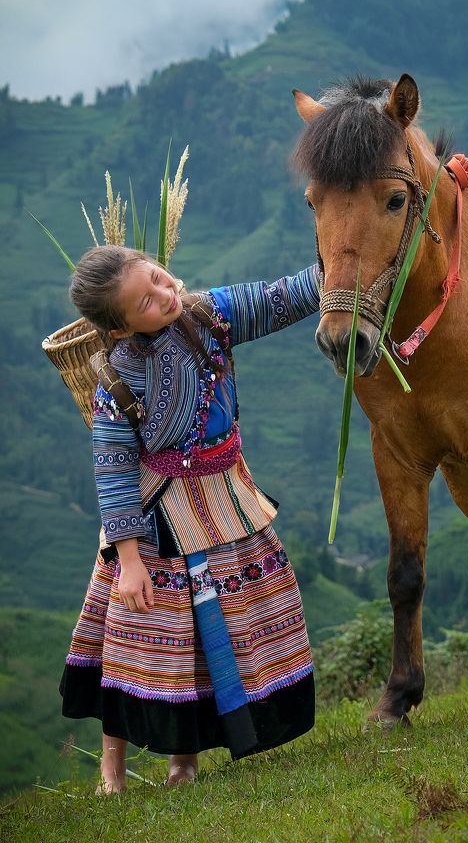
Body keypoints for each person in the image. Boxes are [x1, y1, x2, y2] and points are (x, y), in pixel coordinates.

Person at [60, 245, 321, 792]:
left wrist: (344, 271)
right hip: (152, 515)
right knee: (143, 638)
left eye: (156, 278)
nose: (164, 295)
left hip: (224, 500)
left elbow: (282, 298)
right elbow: (112, 469)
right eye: (145, 303)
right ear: (120, 329)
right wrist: (129, 562)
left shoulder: (211, 315)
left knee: (207, 637)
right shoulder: (117, 379)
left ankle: (186, 760)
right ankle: (112, 769)